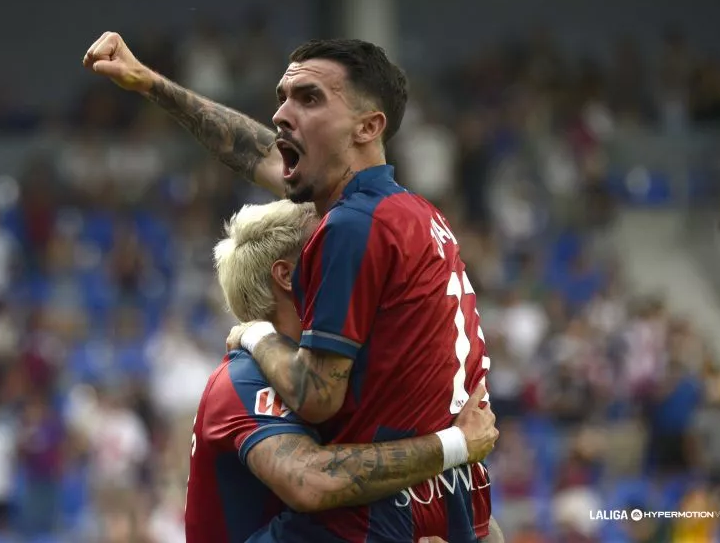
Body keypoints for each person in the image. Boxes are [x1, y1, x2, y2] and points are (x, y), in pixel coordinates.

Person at [84, 33, 496, 542]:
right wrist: (150, 83)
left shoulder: (351, 226)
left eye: (309, 98)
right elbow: (252, 150)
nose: (281, 113)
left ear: (368, 126)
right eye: (283, 97)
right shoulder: (416, 215)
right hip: (438, 501)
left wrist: (253, 333)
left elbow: (316, 401)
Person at [186, 199, 500, 543]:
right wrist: (456, 443)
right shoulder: (240, 380)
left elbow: (460, 511)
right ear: (287, 276)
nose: (354, 262)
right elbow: (310, 481)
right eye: (328, 250)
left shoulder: (338, 379)